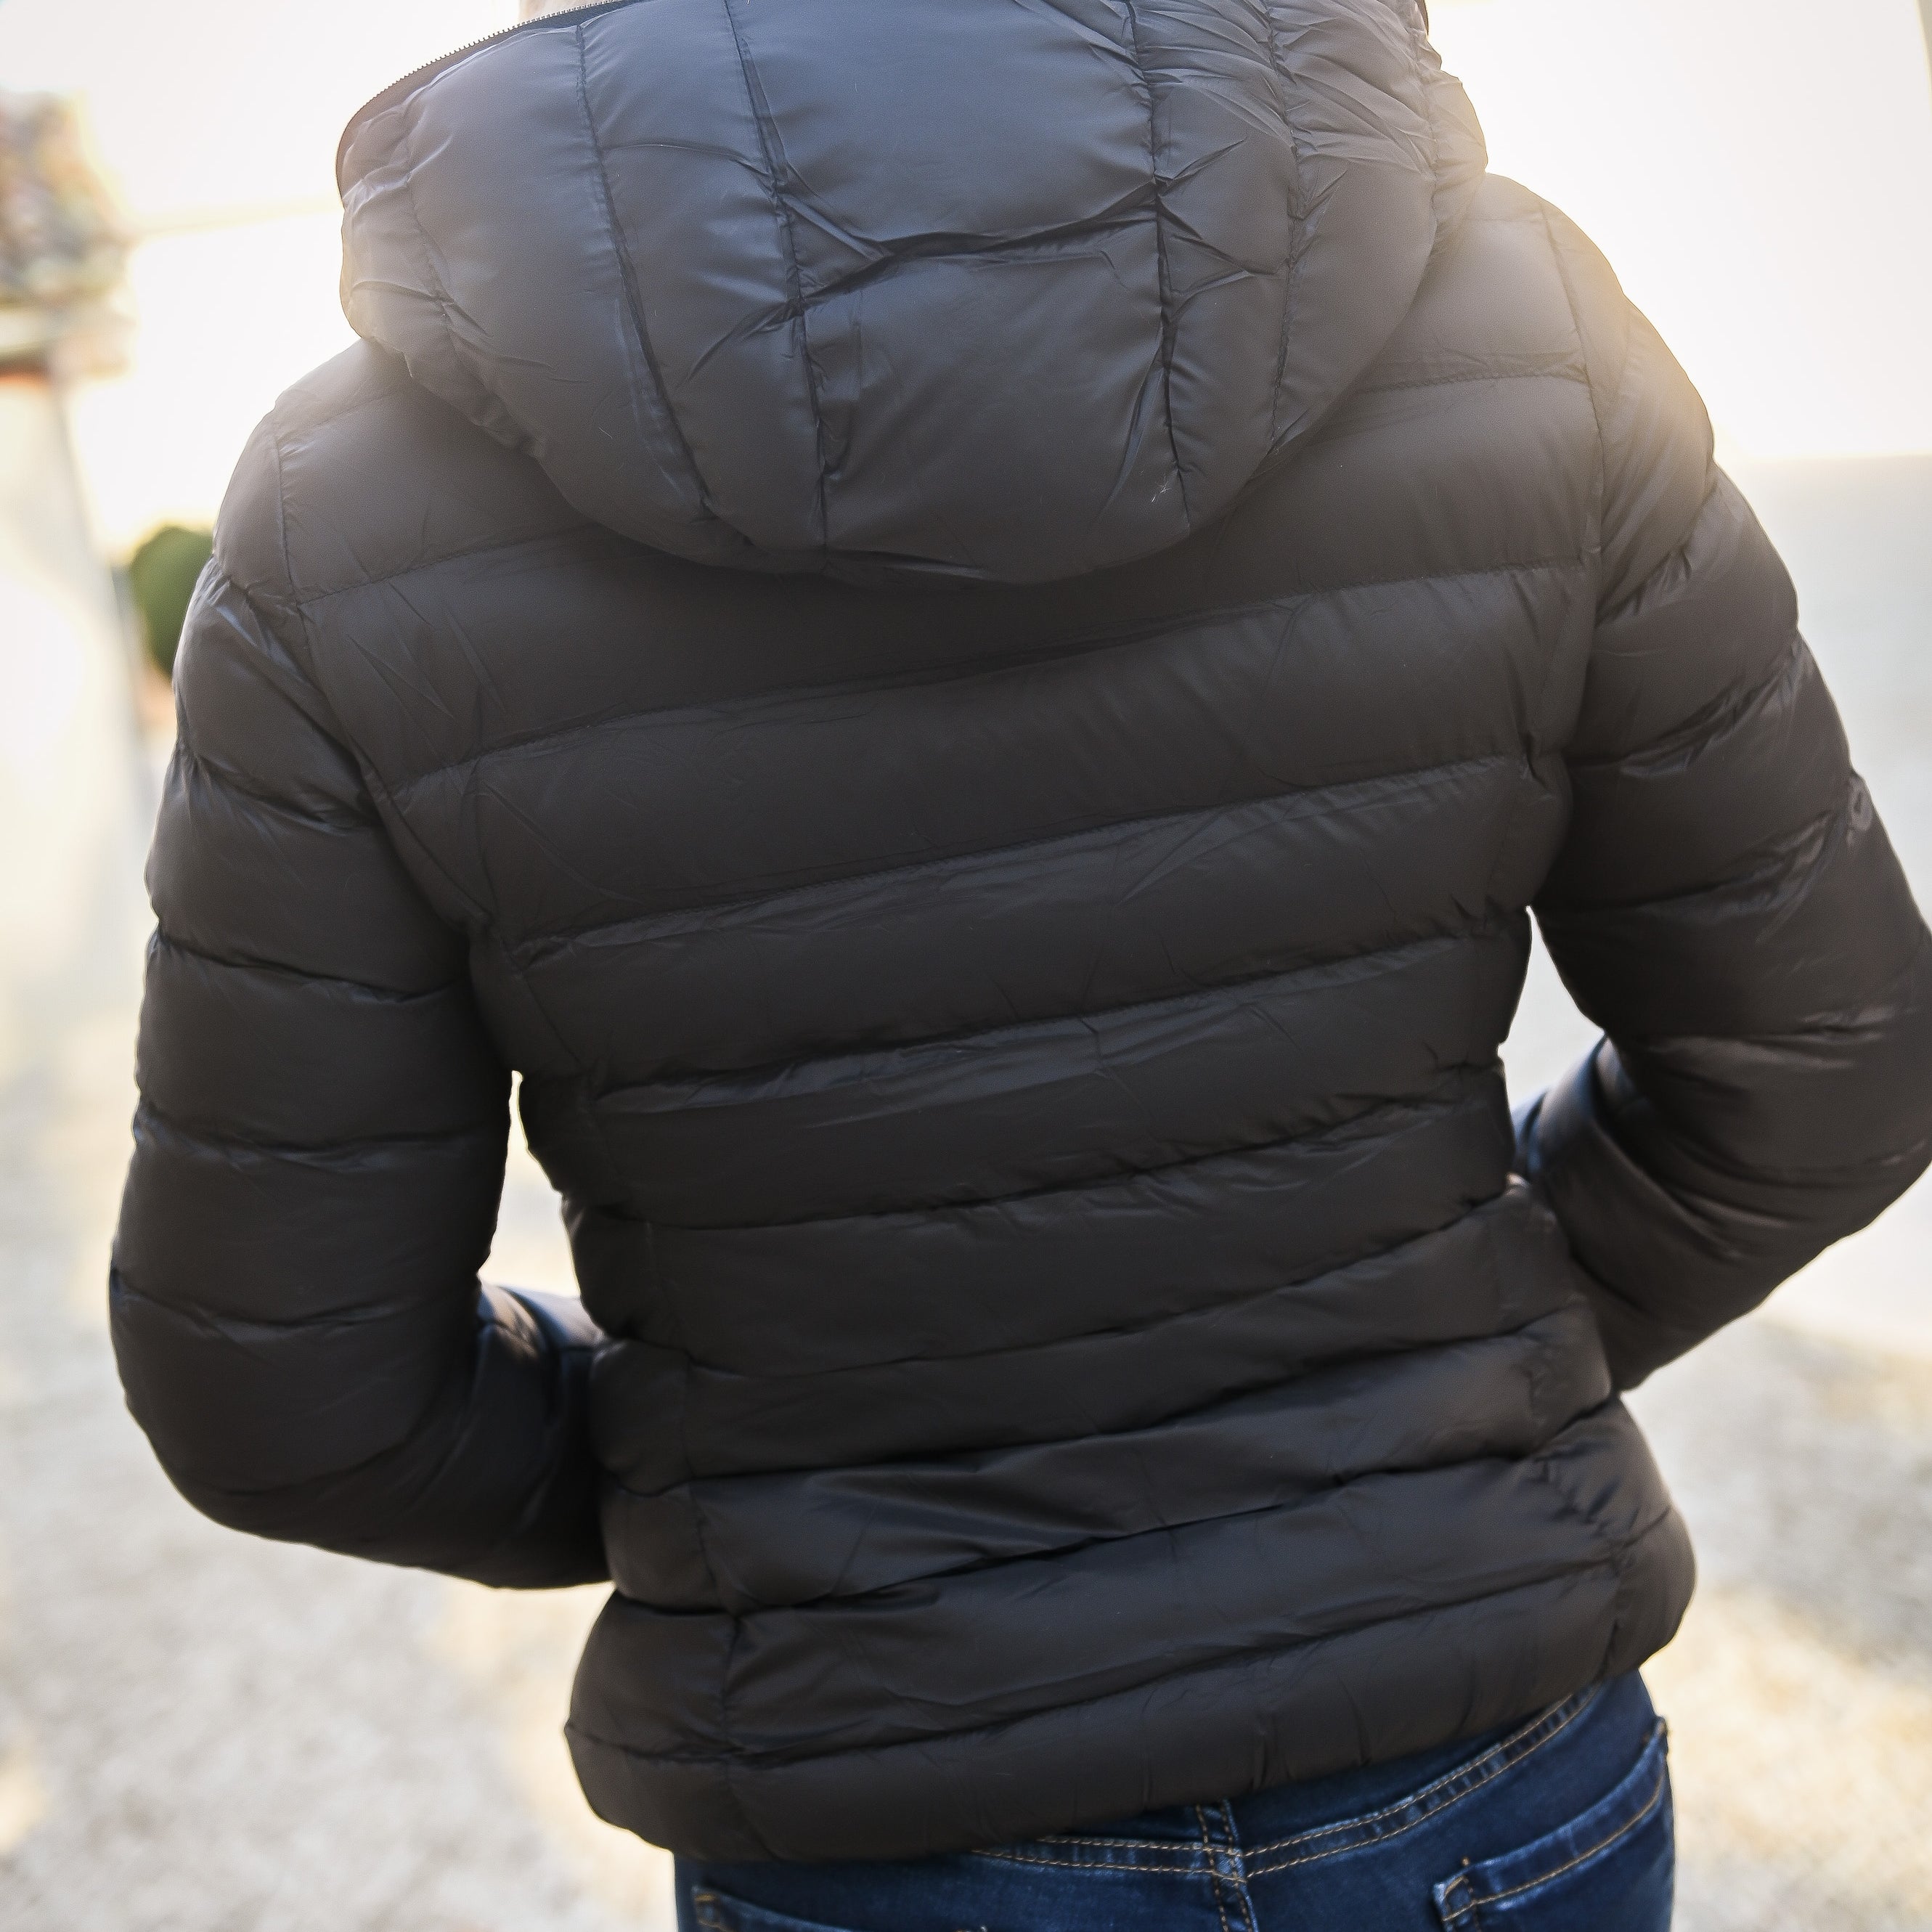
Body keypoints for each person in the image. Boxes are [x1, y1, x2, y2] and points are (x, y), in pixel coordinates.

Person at [112, 2, 1932, 1928]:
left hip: (879, 1809)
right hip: (1481, 1771)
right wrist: (1451, 1379)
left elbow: (281, 1385)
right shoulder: (1509, 315)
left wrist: (751, 1493)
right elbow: (1831, 1059)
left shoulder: (339, 507)